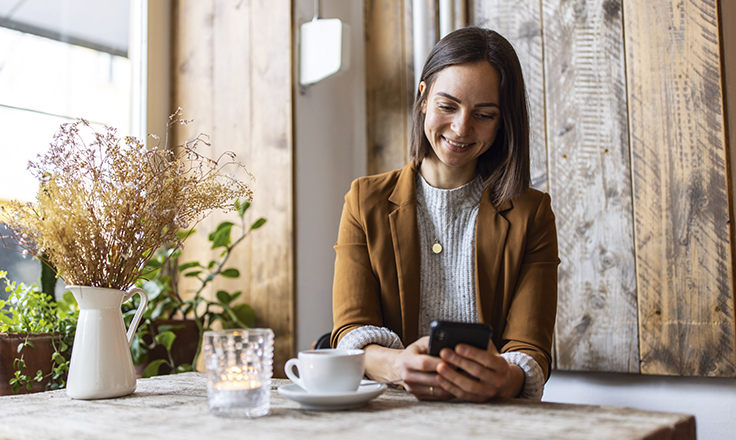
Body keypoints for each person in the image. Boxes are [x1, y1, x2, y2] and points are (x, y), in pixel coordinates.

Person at [331, 27, 559, 402]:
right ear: (423, 98)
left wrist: (504, 377)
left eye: (484, 114)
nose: (461, 128)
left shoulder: (531, 214)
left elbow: (529, 350)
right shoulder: (364, 200)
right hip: (389, 415)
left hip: (489, 419)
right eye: (447, 106)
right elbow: (352, 331)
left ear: (503, 122)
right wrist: (398, 365)